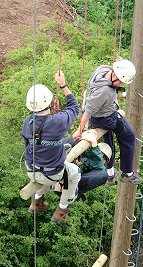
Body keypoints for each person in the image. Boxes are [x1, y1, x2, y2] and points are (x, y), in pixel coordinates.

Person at [22, 70, 81, 223]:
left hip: (32, 170)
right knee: (74, 172)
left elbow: (31, 145)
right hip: (53, 174)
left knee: (43, 176)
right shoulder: (57, 121)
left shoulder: (27, 122)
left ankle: (37, 201)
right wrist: (63, 85)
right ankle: (62, 210)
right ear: (49, 102)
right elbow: (74, 107)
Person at [72, 59, 142, 185]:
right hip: (108, 118)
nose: (121, 85)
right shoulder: (104, 91)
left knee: (109, 143)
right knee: (129, 137)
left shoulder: (103, 69)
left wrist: (118, 63)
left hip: (99, 118)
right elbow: (88, 111)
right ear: (115, 76)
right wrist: (79, 130)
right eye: (121, 82)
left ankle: (110, 174)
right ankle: (127, 173)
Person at [53, 129, 116, 199]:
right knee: (73, 145)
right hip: (63, 183)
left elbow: (98, 162)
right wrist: (82, 137)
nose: (102, 157)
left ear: (106, 161)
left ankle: (71, 185)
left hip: (72, 189)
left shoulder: (100, 169)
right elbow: (84, 153)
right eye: (101, 153)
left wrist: (94, 144)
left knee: (104, 174)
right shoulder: (88, 158)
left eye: (104, 157)